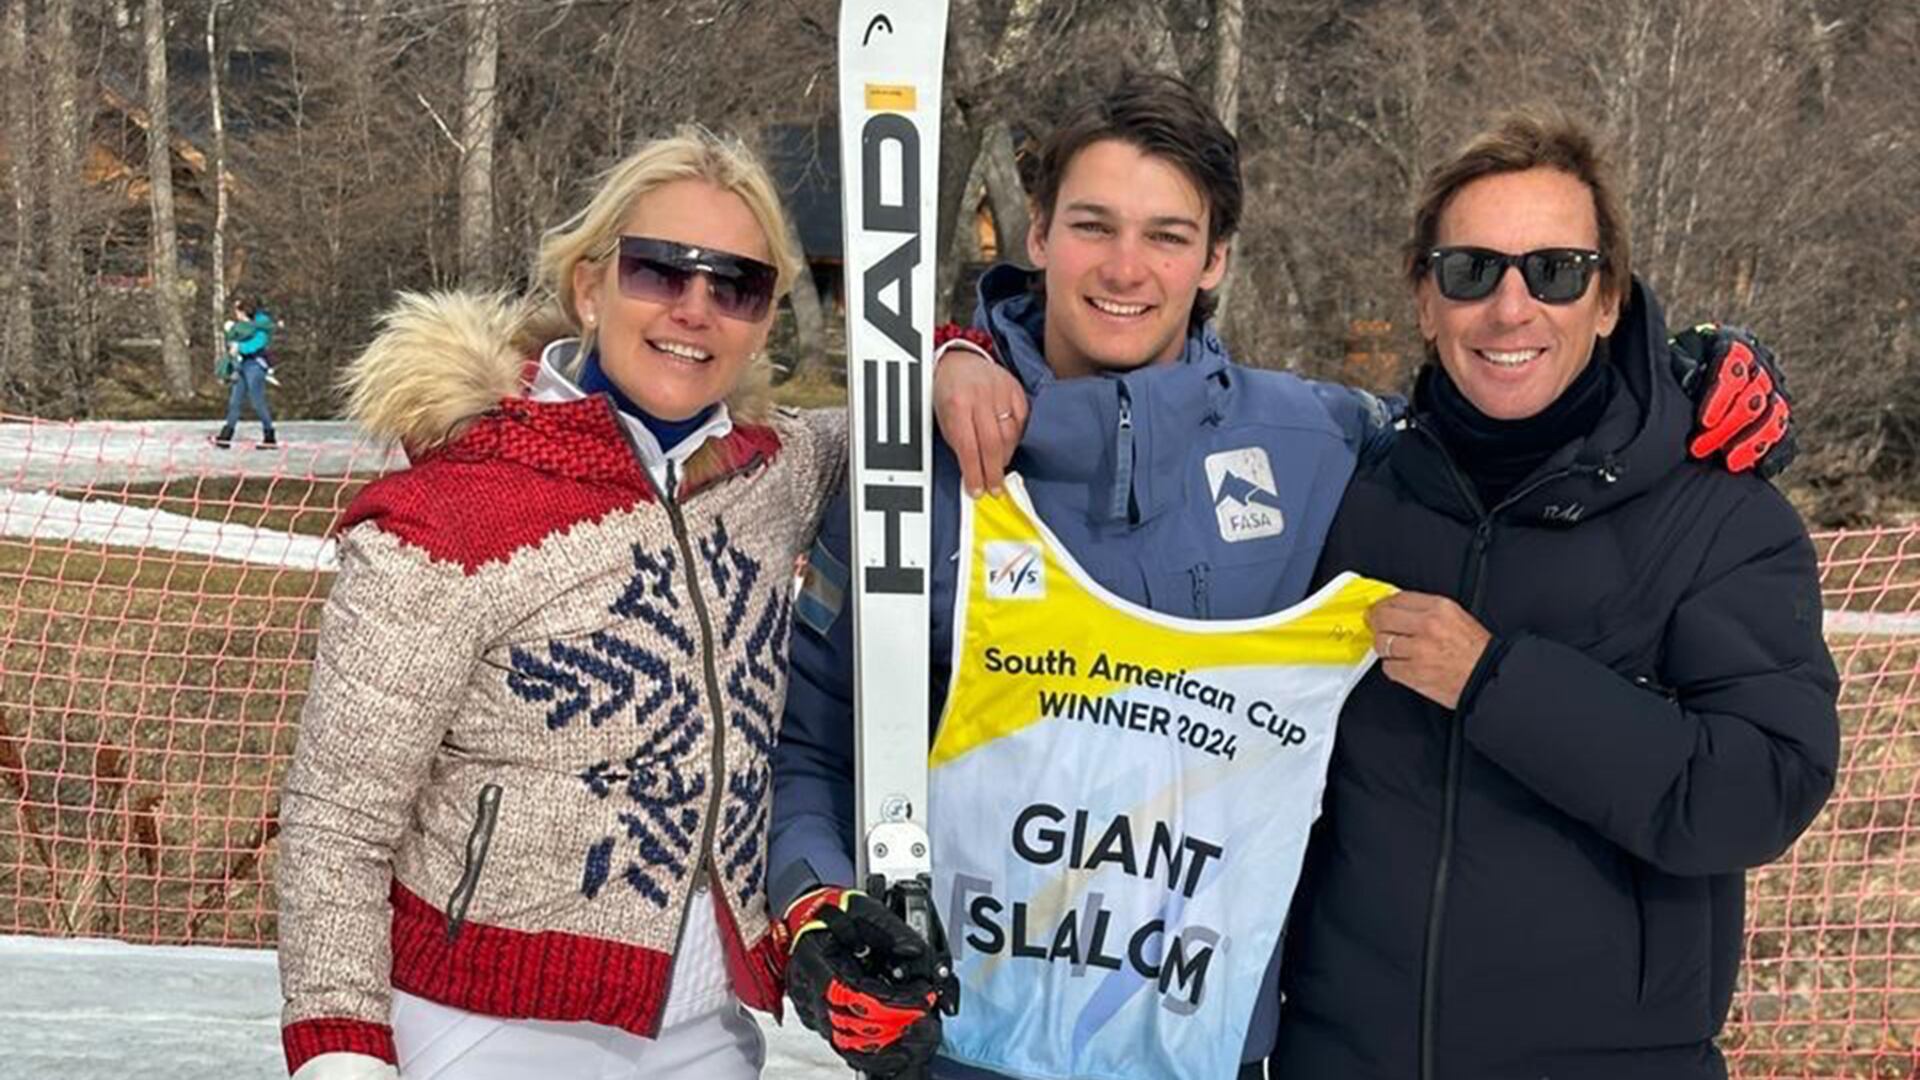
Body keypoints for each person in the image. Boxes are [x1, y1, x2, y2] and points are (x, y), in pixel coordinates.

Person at [770, 72, 1799, 1080]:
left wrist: (1684, 374)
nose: (1126, 269)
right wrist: (818, 907)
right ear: (1036, 235)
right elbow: (811, 745)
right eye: (1093, 226)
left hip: (1212, 1048)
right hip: (965, 1042)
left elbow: (1519, 402)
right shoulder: (913, 464)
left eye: (1168, 236)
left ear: (1214, 258)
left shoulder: (1321, 447)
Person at [273, 126, 1023, 1080]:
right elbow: (336, 826)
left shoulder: (776, 470)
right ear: (590, 287)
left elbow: (893, 409)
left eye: (737, 285)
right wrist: (341, 1056)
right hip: (479, 1027)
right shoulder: (449, 514)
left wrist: (952, 355)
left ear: (764, 319)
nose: (695, 308)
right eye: (661, 271)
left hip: (706, 1031)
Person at [1270, 109, 1840, 1080]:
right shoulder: (1353, 498)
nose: (1511, 306)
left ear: (1610, 298)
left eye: (1557, 271)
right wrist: (960, 360)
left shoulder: (1720, 518)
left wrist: (1498, 683)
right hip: (1343, 1053)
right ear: (1423, 297)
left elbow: (1761, 789)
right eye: (1470, 270)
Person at [215, 298, 279, 448]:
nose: (235, 314)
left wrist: (239, 347)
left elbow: (257, 344)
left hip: (255, 366)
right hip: (241, 365)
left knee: (257, 401)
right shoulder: (241, 327)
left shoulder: (261, 327)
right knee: (235, 401)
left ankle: (269, 435)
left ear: (244, 311)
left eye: (237, 310)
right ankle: (226, 435)